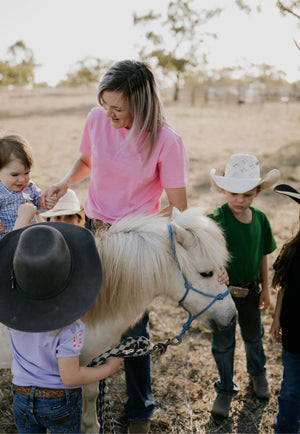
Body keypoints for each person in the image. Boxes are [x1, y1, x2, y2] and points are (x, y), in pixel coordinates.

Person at [41, 59, 189, 434]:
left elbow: (179, 206)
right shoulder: (96, 119)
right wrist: (63, 182)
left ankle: (140, 408)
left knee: (132, 325)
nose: (109, 115)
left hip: (135, 242)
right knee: (84, 315)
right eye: (105, 106)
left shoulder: (167, 141)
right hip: (93, 229)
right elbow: (87, 160)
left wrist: (143, 231)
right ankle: (77, 389)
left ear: (141, 103)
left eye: (117, 109)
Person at [0, 220, 123, 433]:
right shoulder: (70, 329)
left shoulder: (14, 318)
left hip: (20, 398)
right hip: (59, 404)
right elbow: (70, 377)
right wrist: (107, 369)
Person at [207, 153, 280, 418]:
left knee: (253, 336)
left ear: (257, 192)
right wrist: (218, 267)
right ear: (224, 189)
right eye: (234, 194)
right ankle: (225, 389)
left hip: (251, 291)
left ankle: (258, 375)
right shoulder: (215, 218)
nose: (240, 200)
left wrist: (265, 288)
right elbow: (205, 254)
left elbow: (263, 254)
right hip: (222, 295)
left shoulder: (260, 220)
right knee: (223, 344)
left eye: (247, 195)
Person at [271, 184, 300, 434]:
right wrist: (276, 318)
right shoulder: (292, 249)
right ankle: (285, 429)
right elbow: (282, 287)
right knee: (290, 390)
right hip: (294, 336)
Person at [0, 134, 56, 239]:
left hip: (32, 239)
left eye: (26, 173)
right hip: (9, 244)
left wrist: (46, 203)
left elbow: (40, 208)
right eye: (15, 175)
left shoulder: (30, 187)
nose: (22, 179)